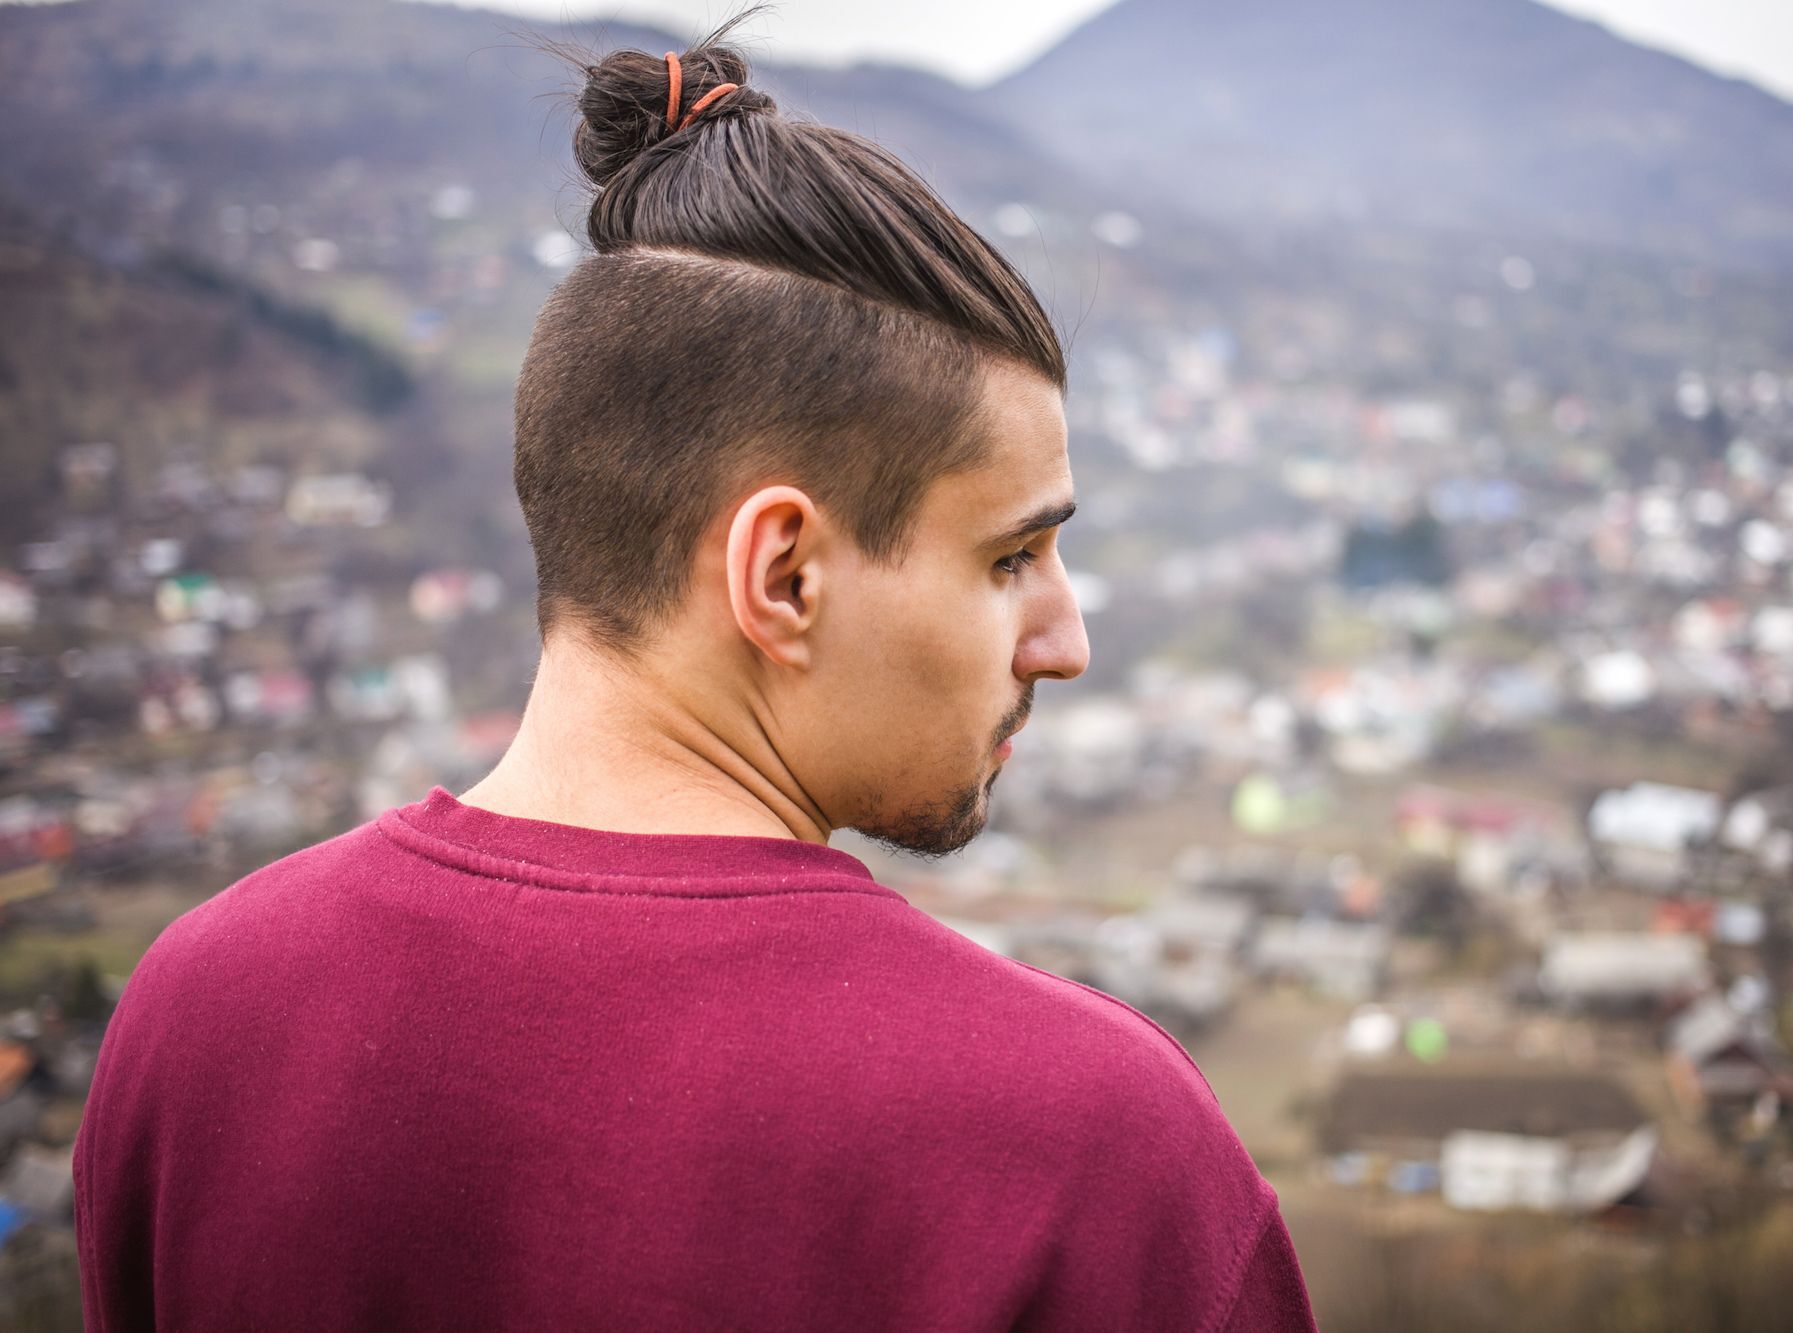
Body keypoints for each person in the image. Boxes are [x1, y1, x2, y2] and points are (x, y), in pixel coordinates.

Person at [72, 10, 1319, 1330]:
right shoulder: (1090, 1155)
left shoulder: (199, 1016)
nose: (1067, 641)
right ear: (782, 575)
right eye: (1013, 558)